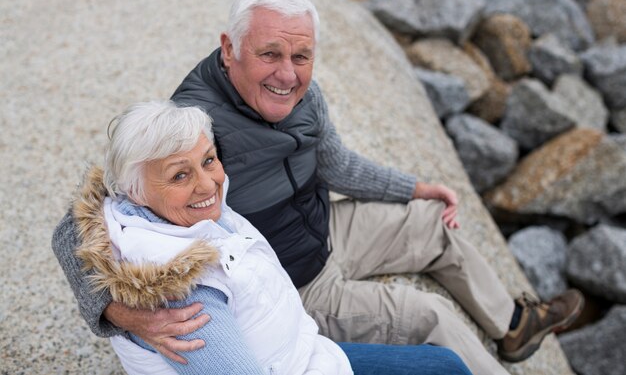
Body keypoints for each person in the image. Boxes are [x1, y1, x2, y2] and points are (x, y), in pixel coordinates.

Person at [52, 0, 583, 374]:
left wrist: (415, 189)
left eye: (301, 55)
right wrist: (121, 313)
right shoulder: (195, 123)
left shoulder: (300, 90)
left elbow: (334, 163)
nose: (288, 74)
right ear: (229, 48)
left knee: (433, 224)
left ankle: (514, 327)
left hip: (326, 225)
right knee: (429, 314)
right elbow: (75, 228)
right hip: (297, 278)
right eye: (270, 54)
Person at [71, 100, 472, 375]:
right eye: (179, 175)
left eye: (209, 160)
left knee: (447, 366)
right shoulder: (179, 295)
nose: (206, 183)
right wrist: (114, 310)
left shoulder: (159, 213)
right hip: (295, 363)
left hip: (305, 353)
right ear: (134, 192)